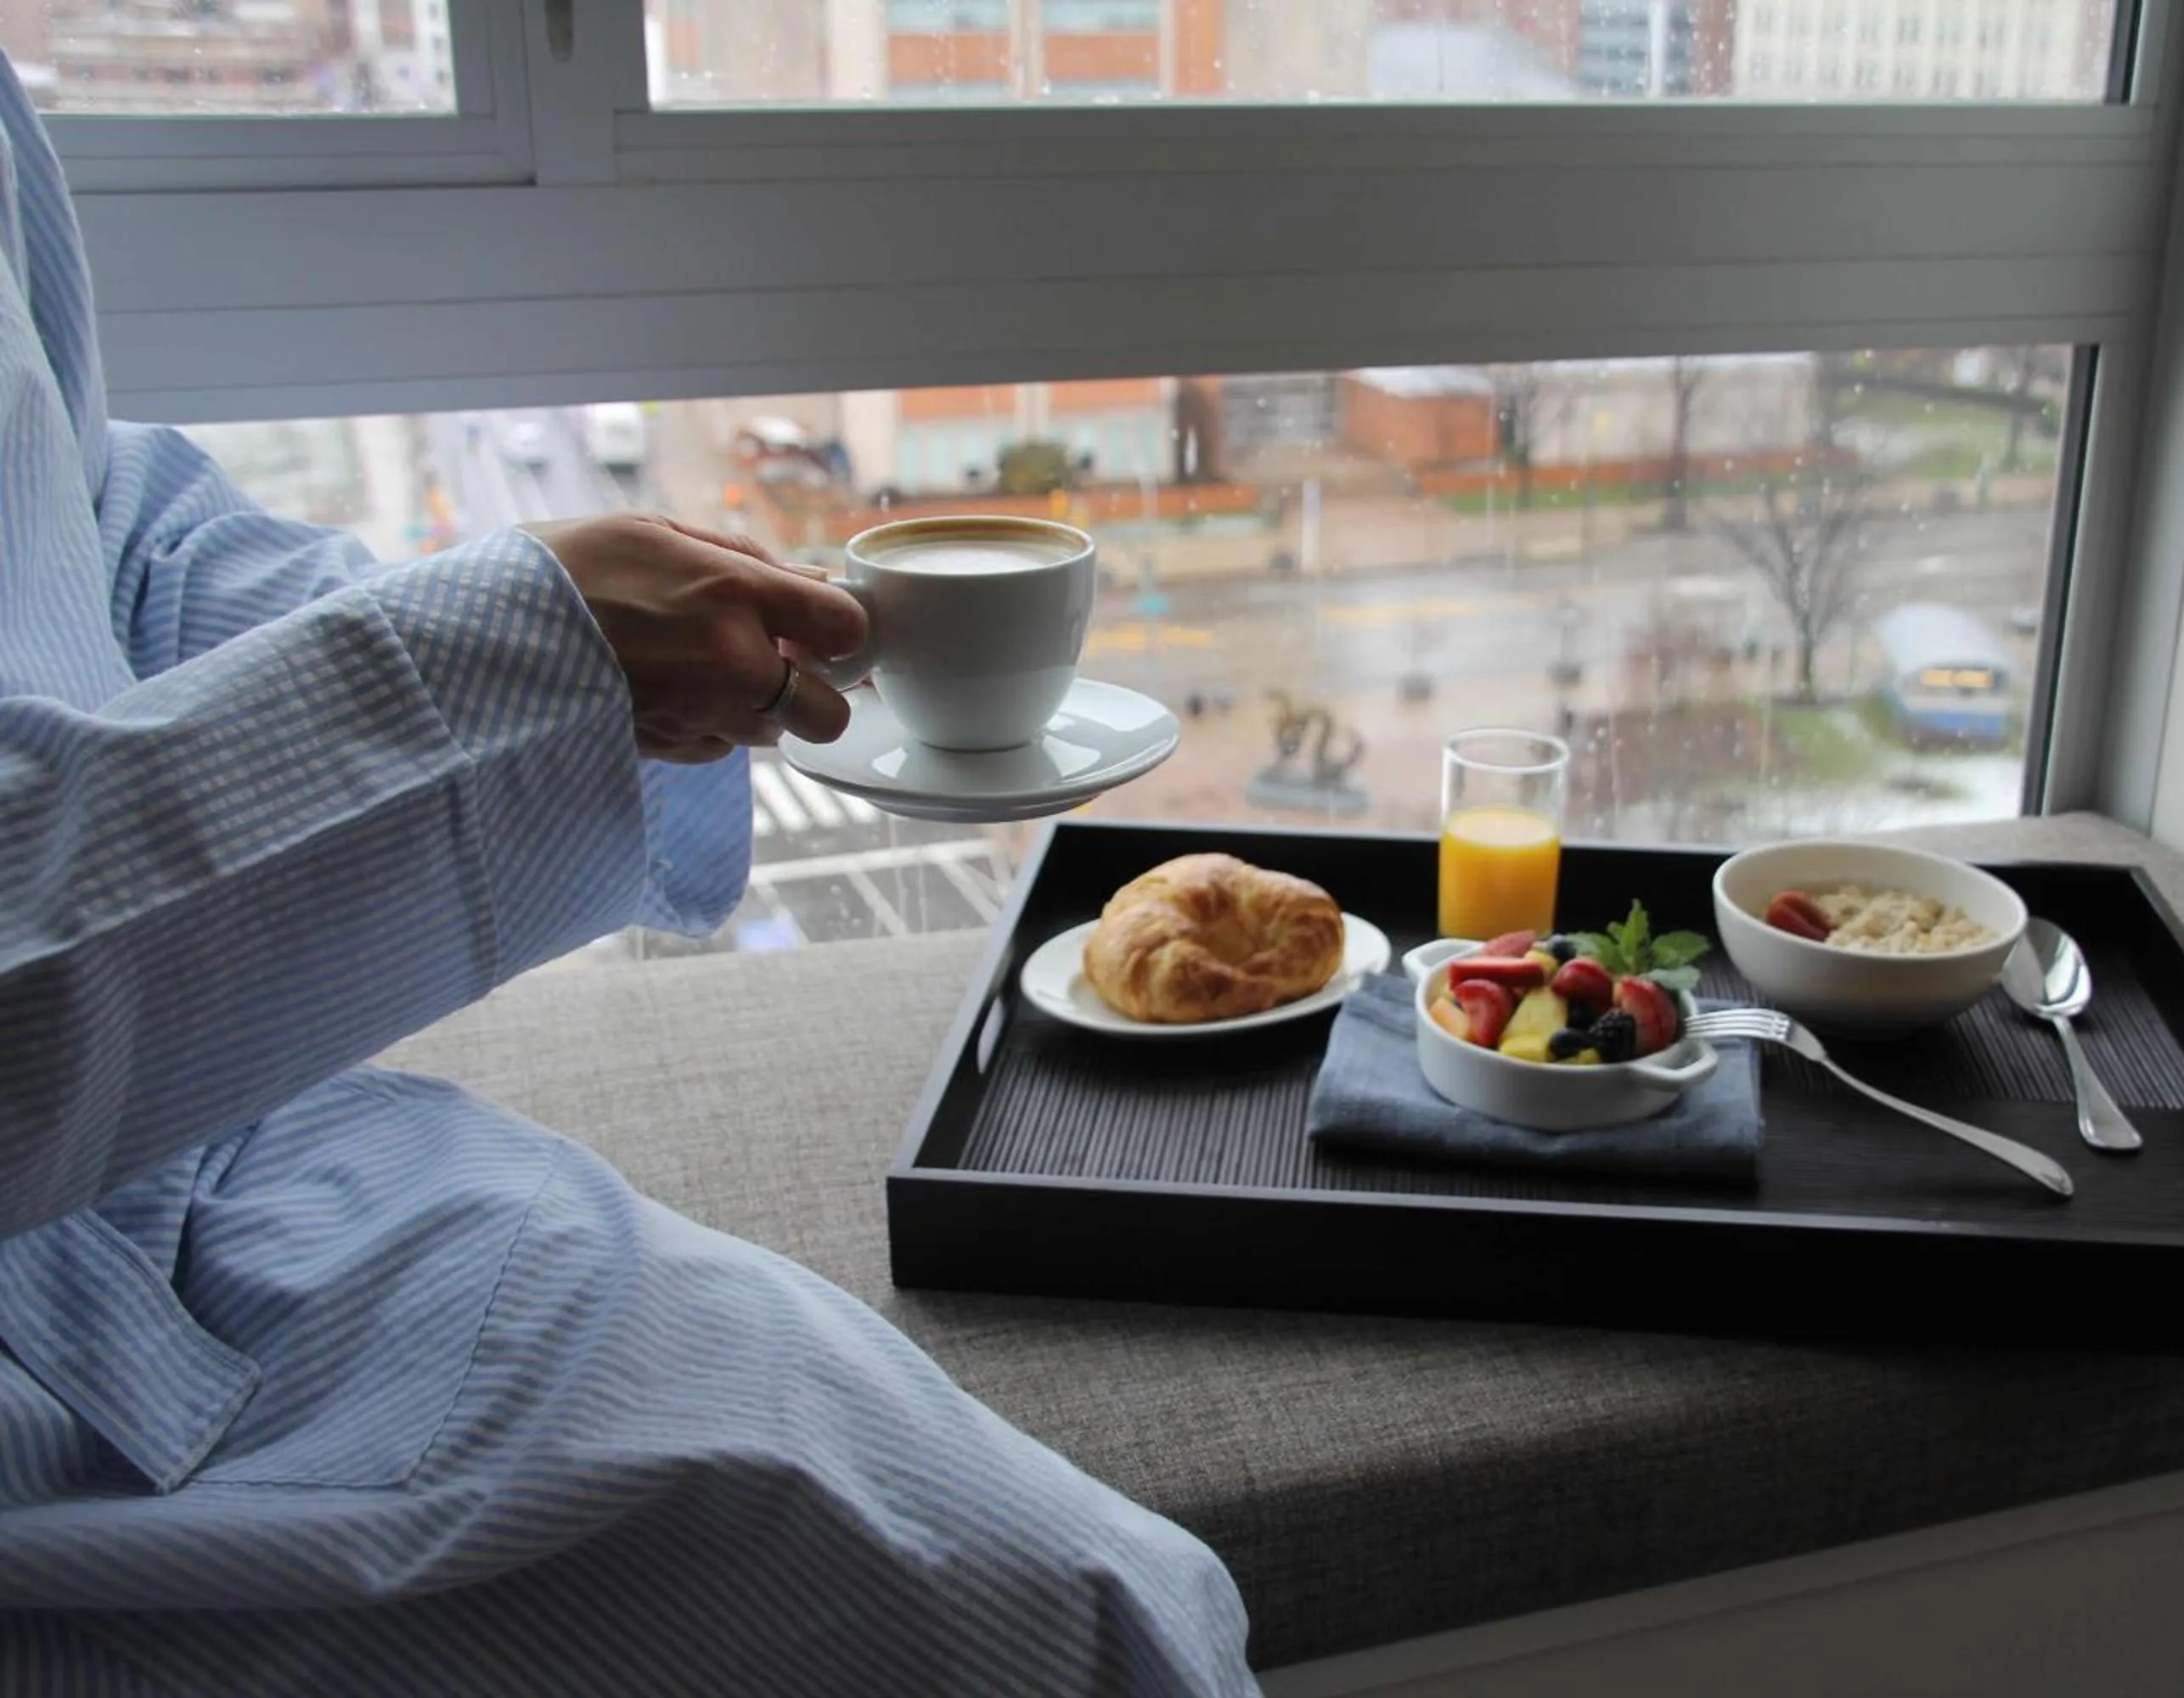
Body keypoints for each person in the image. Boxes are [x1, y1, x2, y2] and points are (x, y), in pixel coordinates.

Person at [0, 56, 1254, 1696]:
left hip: (213, 1166)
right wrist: (517, 666)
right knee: (1056, 1634)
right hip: (52, 1373)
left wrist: (606, 651)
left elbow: (112, 544)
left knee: (1103, 1592)